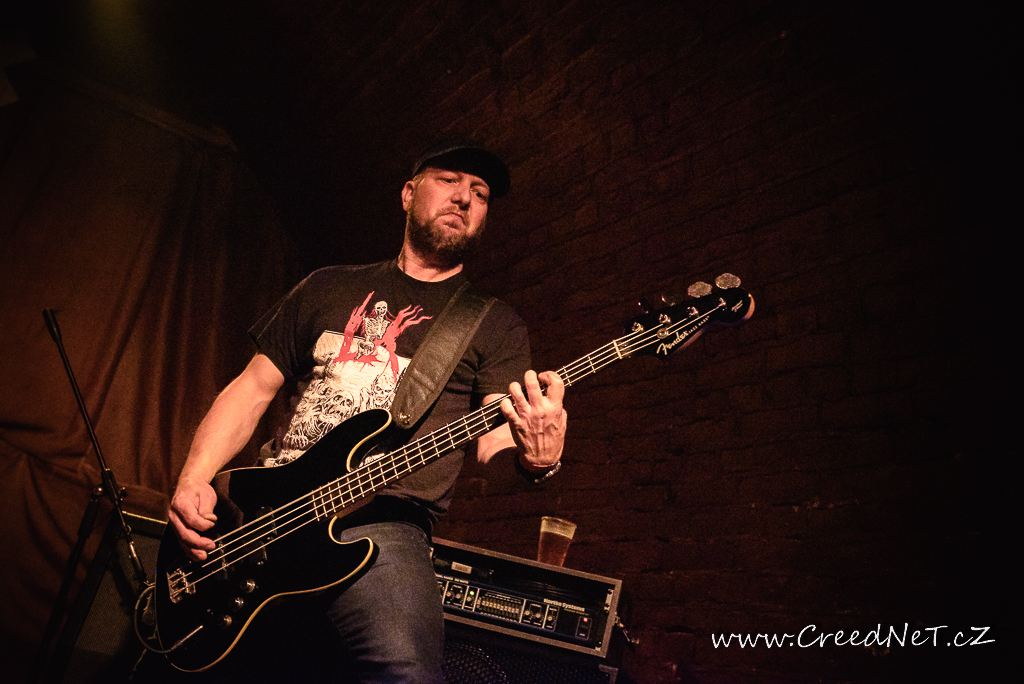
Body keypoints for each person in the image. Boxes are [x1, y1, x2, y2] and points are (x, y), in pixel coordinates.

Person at [167, 140, 567, 683]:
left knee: (406, 673)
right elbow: (251, 390)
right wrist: (194, 477)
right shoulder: (328, 285)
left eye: (480, 193)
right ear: (408, 194)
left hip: (383, 526)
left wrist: (539, 458)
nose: (464, 198)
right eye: (449, 181)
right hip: (264, 514)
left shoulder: (495, 325)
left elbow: (493, 442)